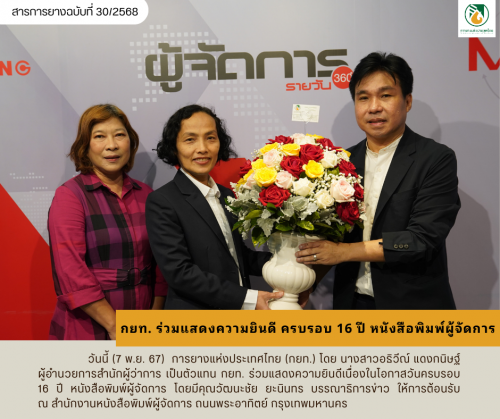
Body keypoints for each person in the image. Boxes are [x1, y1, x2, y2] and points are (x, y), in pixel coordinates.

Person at [296, 52, 460, 310]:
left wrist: (344, 252)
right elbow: (333, 237)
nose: (373, 107)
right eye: (363, 98)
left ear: (407, 101)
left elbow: (421, 239)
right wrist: (307, 283)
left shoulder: (435, 159)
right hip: (351, 305)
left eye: (385, 95)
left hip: (413, 307)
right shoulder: (341, 162)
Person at [146, 105, 283, 310]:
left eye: (210, 138)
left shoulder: (226, 194)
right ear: (174, 147)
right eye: (190, 139)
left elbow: (237, 257)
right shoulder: (163, 201)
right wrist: (248, 298)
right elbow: (180, 273)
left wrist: (287, 261)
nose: (202, 148)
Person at [48, 104, 167, 340]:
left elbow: (161, 264)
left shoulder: (147, 195)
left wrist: (153, 320)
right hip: (89, 324)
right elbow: (70, 271)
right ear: (85, 146)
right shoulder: (70, 196)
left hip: (145, 321)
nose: (111, 145)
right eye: (99, 136)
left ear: (130, 142)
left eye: (119, 135)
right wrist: (115, 326)